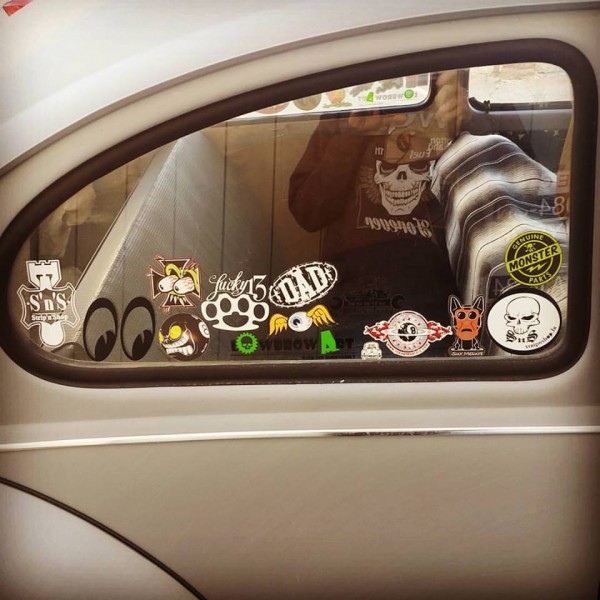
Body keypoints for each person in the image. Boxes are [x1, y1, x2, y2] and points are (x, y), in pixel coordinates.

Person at [288, 71, 468, 352]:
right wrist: (352, 134)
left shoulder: (459, 101)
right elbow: (308, 212)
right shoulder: (346, 106)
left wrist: (469, 123)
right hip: (353, 289)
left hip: (441, 282)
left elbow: (515, 187)